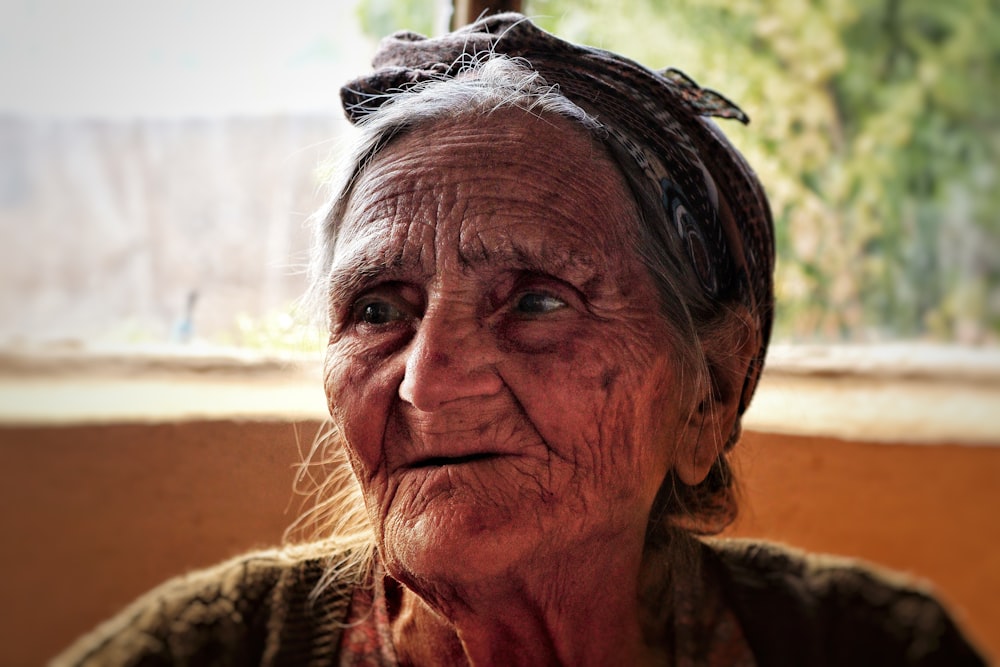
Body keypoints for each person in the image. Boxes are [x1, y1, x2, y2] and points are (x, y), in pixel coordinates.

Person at [54, 13, 985, 666]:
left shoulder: (865, 645)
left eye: (537, 301)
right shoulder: (206, 648)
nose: (429, 381)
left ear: (711, 390)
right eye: (378, 308)